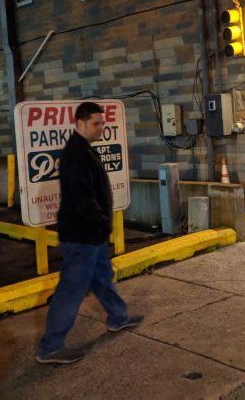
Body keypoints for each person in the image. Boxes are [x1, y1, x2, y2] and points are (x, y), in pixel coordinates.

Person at [37, 102, 141, 364]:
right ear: (79, 124)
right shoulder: (76, 155)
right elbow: (84, 200)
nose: (101, 128)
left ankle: (118, 318)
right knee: (71, 290)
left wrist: (100, 229)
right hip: (81, 237)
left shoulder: (83, 150)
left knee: (103, 278)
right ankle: (50, 347)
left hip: (91, 236)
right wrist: (102, 225)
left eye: (102, 123)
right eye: (96, 123)